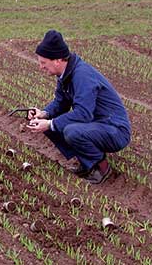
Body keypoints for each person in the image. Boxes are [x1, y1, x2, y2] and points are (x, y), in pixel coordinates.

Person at [26, 30, 131, 184]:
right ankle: (87, 163)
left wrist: (50, 123)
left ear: (57, 60)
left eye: (43, 62)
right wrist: (44, 114)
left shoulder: (82, 76)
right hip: (97, 126)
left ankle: (100, 168)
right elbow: (61, 103)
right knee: (51, 124)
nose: (41, 67)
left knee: (69, 130)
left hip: (115, 130)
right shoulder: (66, 74)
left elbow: (83, 114)